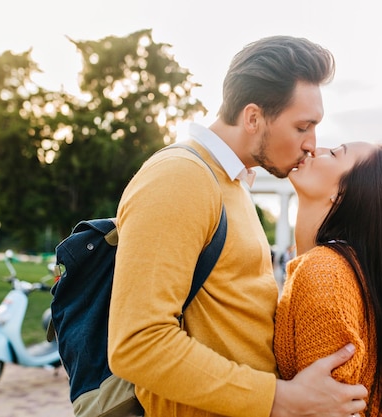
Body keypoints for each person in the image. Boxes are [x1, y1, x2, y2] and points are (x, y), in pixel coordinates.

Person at [108, 35, 368, 417]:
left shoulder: (230, 183)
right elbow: (137, 344)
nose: (312, 144)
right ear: (252, 118)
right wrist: (281, 400)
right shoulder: (179, 177)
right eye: (302, 127)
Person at [274, 142, 382, 416]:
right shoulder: (341, 268)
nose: (316, 148)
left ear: (343, 193)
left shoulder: (325, 274)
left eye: (335, 153)